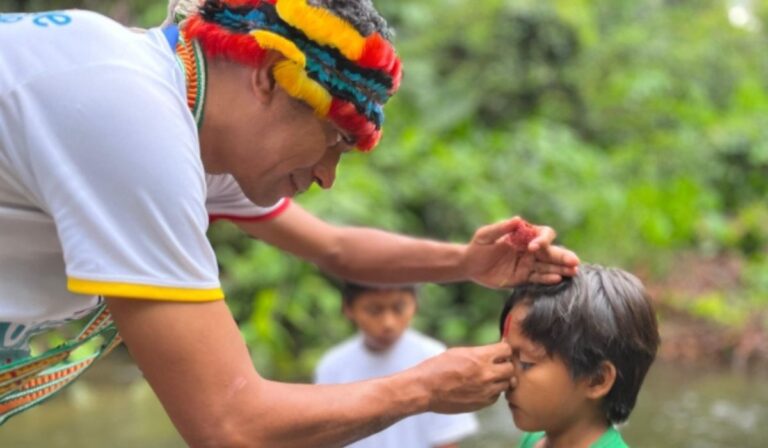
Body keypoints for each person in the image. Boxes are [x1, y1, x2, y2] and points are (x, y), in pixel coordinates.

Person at [0, 0, 579, 445]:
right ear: (271, 76)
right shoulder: (133, 119)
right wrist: (422, 387)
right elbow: (229, 423)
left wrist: (466, 263)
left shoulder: (177, 104)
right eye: (333, 140)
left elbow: (336, 250)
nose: (327, 177)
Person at [499, 264, 660, 448]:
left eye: (527, 363)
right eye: (507, 358)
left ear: (596, 379)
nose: (507, 376)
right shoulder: (533, 440)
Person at [315, 282, 479, 448]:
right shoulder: (332, 366)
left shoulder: (435, 358)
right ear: (349, 309)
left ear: (415, 304)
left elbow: (446, 440)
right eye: (374, 310)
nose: (388, 323)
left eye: (399, 308)